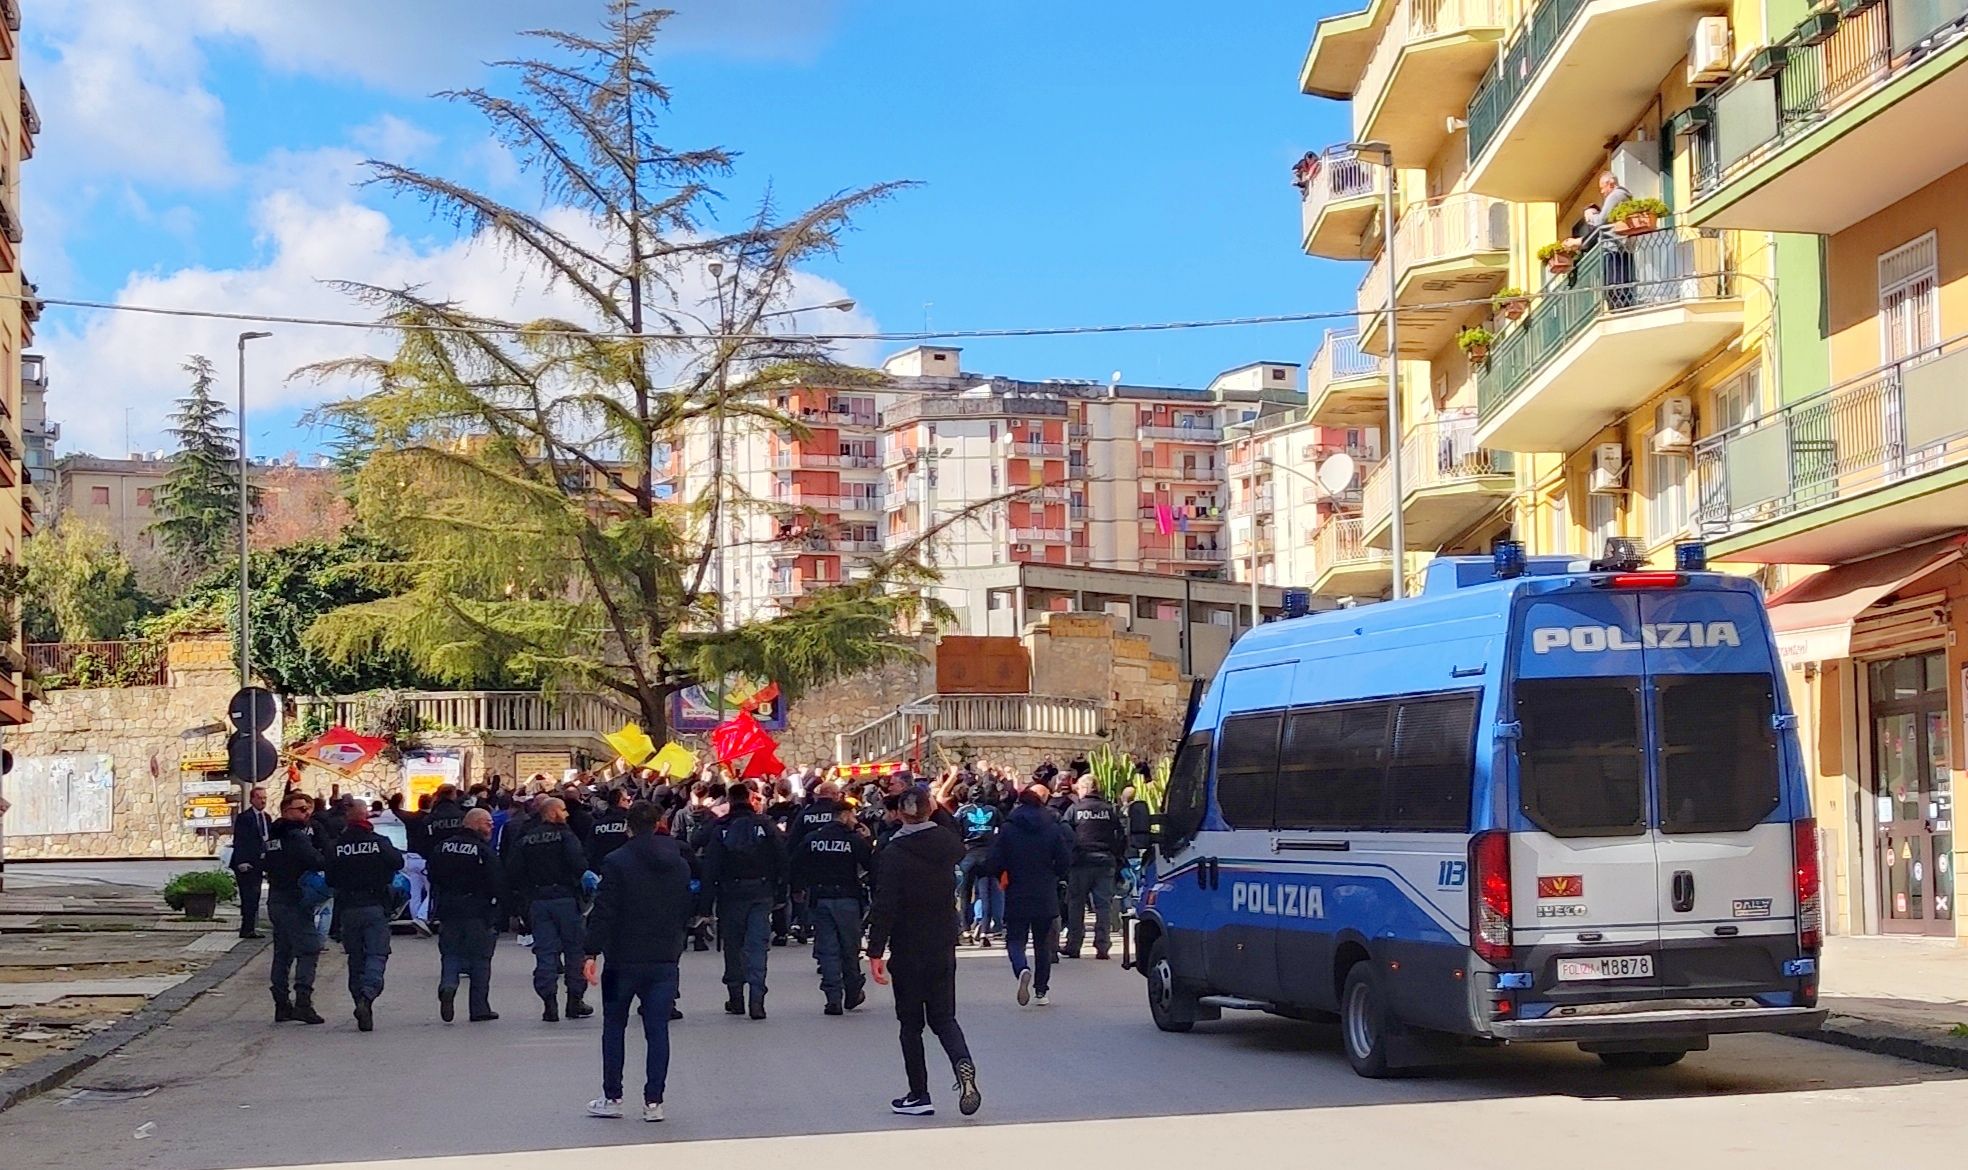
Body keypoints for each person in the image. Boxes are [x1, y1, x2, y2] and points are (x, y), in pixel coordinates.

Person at [866, 785, 981, 1118]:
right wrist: (935, 806)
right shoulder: (948, 845)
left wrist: (876, 951)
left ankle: (919, 1094)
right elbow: (953, 831)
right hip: (942, 941)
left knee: (911, 1024)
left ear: (900, 814)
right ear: (931, 810)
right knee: (944, 1018)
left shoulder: (893, 852)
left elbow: (884, 904)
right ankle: (964, 1064)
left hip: (907, 945)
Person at [583, 801, 696, 1122]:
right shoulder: (678, 860)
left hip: (623, 957)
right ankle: (654, 1102)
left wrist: (590, 951)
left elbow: (605, 910)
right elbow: (687, 902)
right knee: (657, 1029)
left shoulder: (616, 861)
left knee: (615, 1025)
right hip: (664, 955)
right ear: (660, 823)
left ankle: (612, 1096)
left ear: (628, 826)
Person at [703, 783, 786, 1019]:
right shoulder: (765, 825)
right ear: (750, 799)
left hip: (731, 894)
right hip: (761, 892)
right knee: (758, 945)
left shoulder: (721, 828)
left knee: (733, 944)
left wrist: (705, 905)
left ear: (729, 800)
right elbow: (782, 857)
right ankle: (757, 998)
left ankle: (736, 996)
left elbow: (710, 866)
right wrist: (781, 892)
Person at [507, 796, 593, 1022]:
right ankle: (575, 1000)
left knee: (545, 952)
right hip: (565, 898)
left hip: (538, 901)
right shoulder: (566, 835)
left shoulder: (527, 839)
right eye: (563, 810)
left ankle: (549, 1002)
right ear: (554, 812)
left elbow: (514, 870)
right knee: (575, 951)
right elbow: (579, 864)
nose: (566, 814)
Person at [988, 785, 1071, 1007]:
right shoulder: (1052, 828)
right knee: (1043, 943)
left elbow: (995, 861)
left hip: (1017, 890)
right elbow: (1064, 860)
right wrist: (1055, 875)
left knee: (1015, 939)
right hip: (1044, 891)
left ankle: (1021, 968)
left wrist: (1003, 875)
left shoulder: (1008, 828)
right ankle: (1041, 991)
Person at [325, 800, 404, 1032]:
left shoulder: (337, 846)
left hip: (348, 908)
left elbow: (329, 879)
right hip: (374, 905)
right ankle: (368, 995)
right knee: (377, 954)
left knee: (355, 958)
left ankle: (359, 997)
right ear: (366, 817)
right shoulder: (379, 843)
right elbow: (397, 862)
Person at [790, 802, 873, 1015]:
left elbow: (796, 863)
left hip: (820, 897)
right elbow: (873, 864)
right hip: (847, 899)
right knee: (849, 947)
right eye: (853, 816)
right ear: (844, 815)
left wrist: (798, 888)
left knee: (827, 950)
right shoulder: (853, 840)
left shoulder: (813, 839)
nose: (855, 821)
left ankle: (832, 997)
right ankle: (853, 990)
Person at [428, 808, 503, 1023]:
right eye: (488, 823)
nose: (491, 827)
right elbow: (497, 881)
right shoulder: (483, 850)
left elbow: (432, 874)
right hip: (477, 910)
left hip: (449, 907)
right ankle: (479, 1008)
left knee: (450, 952)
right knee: (480, 958)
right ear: (475, 823)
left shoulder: (443, 846)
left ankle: (448, 984)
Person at [262, 791, 328, 1025]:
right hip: (295, 900)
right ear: (286, 811)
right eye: (301, 809)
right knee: (309, 950)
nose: (306, 813)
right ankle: (303, 1003)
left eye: (308, 809)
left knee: (282, 953)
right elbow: (317, 861)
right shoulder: (296, 836)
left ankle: (281, 1005)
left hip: (276, 900)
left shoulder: (272, 837)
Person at [1060, 776, 1125, 960]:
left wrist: (1068, 857)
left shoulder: (1075, 810)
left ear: (1084, 789)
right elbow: (1121, 835)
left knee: (1076, 904)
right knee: (1103, 905)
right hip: (1105, 861)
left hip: (1080, 862)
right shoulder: (1109, 810)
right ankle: (1102, 946)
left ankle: (1074, 945)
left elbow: (1064, 834)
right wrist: (1117, 856)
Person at [955, 786, 1003, 947]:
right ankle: (983, 932)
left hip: (968, 854)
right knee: (985, 894)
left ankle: (966, 929)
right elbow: (1002, 830)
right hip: (987, 854)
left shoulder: (963, 811)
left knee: (965, 894)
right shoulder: (994, 811)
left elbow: (954, 830)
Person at [230, 786, 272, 940]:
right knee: (249, 897)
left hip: (260, 862)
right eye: (260, 798)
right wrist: (242, 861)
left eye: (264, 798)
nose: (262, 801)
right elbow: (239, 841)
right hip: (246, 863)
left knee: (255, 896)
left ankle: (251, 927)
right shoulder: (245, 818)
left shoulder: (266, 817)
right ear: (252, 799)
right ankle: (247, 928)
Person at [587, 787, 633, 874]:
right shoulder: (630, 823)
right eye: (627, 800)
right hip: (626, 869)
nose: (629, 803)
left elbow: (590, 849)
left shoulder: (597, 823)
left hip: (602, 869)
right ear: (621, 801)